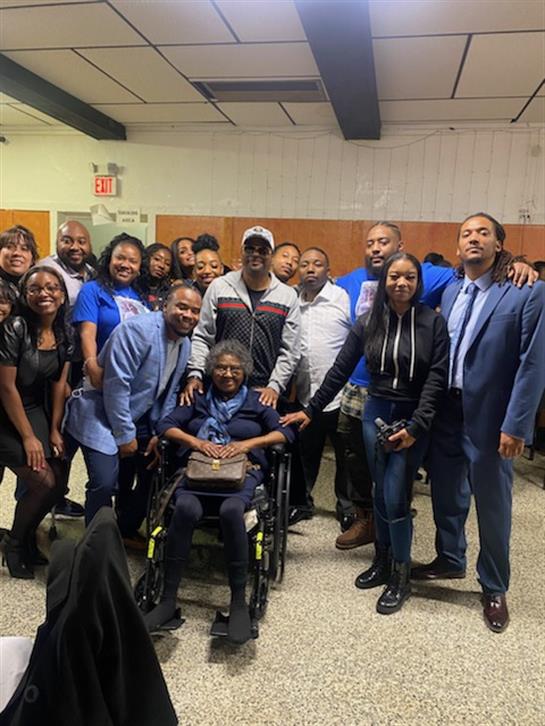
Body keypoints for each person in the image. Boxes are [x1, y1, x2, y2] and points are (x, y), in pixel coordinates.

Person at [335, 221, 537, 552]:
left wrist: (515, 263)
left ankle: (406, 562)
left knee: (405, 487)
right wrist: (310, 409)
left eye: (383, 241)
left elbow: (476, 266)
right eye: (370, 242)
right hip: (377, 397)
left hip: (427, 403)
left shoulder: (434, 280)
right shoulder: (351, 283)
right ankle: (408, 546)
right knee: (378, 475)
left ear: (401, 248)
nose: (376, 248)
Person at [283, 253, 449, 614]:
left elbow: (437, 379)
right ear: (384, 281)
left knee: (395, 495)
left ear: (418, 282)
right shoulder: (367, 321)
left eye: (409, 277)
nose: (401, 283)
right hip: (375, 414)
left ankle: (401, 576)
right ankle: (383, 561)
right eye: (394, 276)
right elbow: (340, 369)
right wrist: (311, 410)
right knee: (378, 494)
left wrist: (416, 426)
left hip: (411, 419)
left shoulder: (433, 323)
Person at [412, 213, 545, 633]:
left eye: (483, 233)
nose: (474, 238)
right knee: (446, 491)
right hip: (447, 412)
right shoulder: (452, 289)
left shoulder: (525, 291)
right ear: (457, 247)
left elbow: (533, 364)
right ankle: (450, 558)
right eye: (466, 233)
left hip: (492, 419)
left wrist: (517, 425)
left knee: (492, 505)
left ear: (498, 245)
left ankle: (494, 585)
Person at [143, 340, 295, 644]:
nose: (227, 374)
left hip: (241, 474)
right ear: (211, 370)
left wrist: (246, 445)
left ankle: (237, 603)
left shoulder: (257, 402)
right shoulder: (196, 398)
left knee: (231, 511)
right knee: (185, 509)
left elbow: (286, 432)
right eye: (221, 368)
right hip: (198, 473)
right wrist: (197, 443)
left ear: (244, 372)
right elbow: (165, 425)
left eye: (234, 369)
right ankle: (168, 599)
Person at [63, 284, 202, 537]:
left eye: (195, 311)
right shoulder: (137, 331)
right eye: (182, 307)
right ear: (165, 306)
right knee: (105, 482)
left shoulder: (184, 344)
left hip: (139, 415)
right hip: (100, 411)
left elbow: (169, 392)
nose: (188, 315)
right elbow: (116, 387)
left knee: (155, 467)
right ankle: (95, 543)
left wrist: (160, 431)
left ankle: (124, 530)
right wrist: (125, 435)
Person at [0, 267, 72, 579]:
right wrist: (29, 437)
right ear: (25, 295)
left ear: (62, 295)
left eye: (52, 287)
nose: (44, 293)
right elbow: (6, 387)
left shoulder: (64, 332)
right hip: (5, 412)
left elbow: (58, 384)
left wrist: (54, 429)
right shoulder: (15, 327)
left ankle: (27, 536)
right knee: (43, 481)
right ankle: (15, 544)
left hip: (32, 409)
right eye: (35, 289)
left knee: (59, 479)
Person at [183, 226, 300, 409]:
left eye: (263, 250)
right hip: (220, 387)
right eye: (250, 249)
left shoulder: (287, 296)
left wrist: (275, 386)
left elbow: (290, 350)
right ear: (242, 252)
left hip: (264, 394)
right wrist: (196, 373)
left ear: (271, 256)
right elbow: (203, 336)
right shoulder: (219, 287)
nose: (256, 254)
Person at [288, 247, 353, 529]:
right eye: (304, 264)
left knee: (345, 456)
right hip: (306, 395)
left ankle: (347, 506)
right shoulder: (293, 301)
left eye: (317, 264)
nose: (310, 269)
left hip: (340, 396)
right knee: (306, 455)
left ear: (328, 270)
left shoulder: (342, 298)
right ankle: (303, 503)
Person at [72, 233, 149, 389]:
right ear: (109, 260)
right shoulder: (92, 290)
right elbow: (87, 334)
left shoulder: (142, 298)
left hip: (136, 380)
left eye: (133, 261)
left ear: (139, 268)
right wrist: (92, 366)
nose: (125, 265)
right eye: (120, 258)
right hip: (103, 374)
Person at [0, 225, 38, 296]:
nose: (17, 253)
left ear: (32, 259)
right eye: (10, 247)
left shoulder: (39, 287)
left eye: (24, 248)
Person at [140, 243, 173, 311]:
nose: (162, 266)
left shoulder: (170, 292)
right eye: (157, 259)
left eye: (167, 264)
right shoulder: (133, 286)